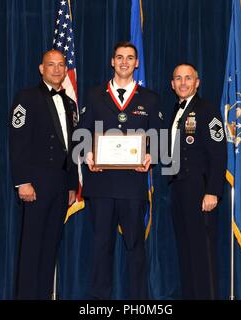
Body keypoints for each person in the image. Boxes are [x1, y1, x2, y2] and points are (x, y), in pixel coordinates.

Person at [78, 41, 163, 299]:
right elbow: (81, 133)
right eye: (119, 57)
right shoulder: (95, 95)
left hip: (133, 185)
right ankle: (99, 302)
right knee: (101, 247)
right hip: (101, 185)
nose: (124, 62)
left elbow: (159, 137)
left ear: (137, 63)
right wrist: (88, 154)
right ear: (112, 62)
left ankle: (139, 301)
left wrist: (151, 156)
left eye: (129, 58)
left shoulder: (150, 98)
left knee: (135, 247)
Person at [9, 50, 79, 299]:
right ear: (41, 68)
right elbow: (18, 143)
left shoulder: (70, 104)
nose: (57, 69)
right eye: (51, 65)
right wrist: (22, 182)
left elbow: (72, 147)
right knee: (32, 247)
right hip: (35, 184)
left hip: (60, 186)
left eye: (61, 65)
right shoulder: (26, 98)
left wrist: (72, 184)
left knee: (50, 246)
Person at [168, 63, 227, 299]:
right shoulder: (175, 111)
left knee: (202, 255)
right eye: (178, 78)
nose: (183, 83)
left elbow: (219, 153)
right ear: (172, 84)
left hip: (200, 191)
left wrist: (213, 191)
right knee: (186, 252)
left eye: (188, 78)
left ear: (197, 82)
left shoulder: (208, 110)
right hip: (178, 190)